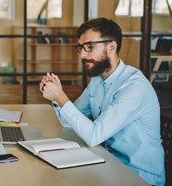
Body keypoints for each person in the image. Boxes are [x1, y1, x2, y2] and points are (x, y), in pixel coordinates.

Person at [39, 18, 165, 185]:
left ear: (112, 46)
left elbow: (94, 136)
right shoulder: (98, 81)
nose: (83, 54)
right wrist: (56, 98)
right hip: (111, 164)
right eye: (81, 48)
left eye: (89, 47)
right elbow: (68, 122)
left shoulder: (135, 87)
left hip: (141, 176)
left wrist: (61, 97)